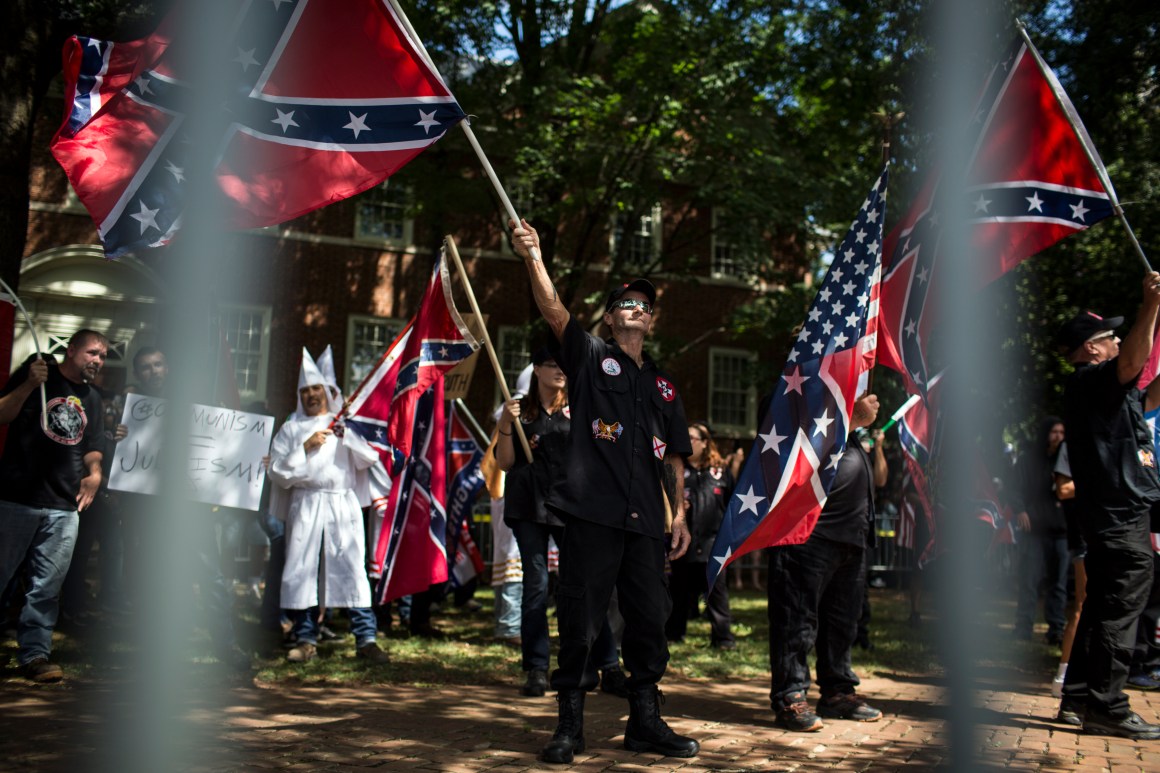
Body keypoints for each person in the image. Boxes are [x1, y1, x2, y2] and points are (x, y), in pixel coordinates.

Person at [510, 219, 698, 763]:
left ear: (654, 320)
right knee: (580, 621)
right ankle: (568, 726)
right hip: (591, 515)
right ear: (611, 316)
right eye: (624, 302)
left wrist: (679, 516)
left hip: (646, 524)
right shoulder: (591, 358)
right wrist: (534, 257)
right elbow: (553, 311)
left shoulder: (664, 386)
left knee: (648, 622)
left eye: (643, 303)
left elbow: (674, 457)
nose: (635, 307)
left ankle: (645, 723)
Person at [1055, 284, 1160, 741]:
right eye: (1110, 337)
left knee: (1101, 608)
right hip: (1117, 516)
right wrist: (1151, 304)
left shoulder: (1106, 392)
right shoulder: (1089, 381)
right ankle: (1108, 705)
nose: (1118, 341)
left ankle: (1078, 698)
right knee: (1119, 610)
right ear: (1090, 348)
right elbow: (1132, 364)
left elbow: (1147, 396)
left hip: (1118, 513)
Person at [766, 394, 888, 731]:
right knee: (796, 620)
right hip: (808, 532)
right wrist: (851, 417)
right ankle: (790, 695)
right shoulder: (794, 393)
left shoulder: (838, 399)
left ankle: (837, 691)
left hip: (852, 535)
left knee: (842, 623)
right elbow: (794, 442)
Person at [268, 348, 388, 664]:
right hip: (305, 505)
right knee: (302, 571)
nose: (310, 395)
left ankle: (366, 639)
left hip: (341, 505)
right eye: (305, 391)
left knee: (351, 569)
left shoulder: (345, 424)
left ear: (327, 391)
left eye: (316, 389)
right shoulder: (291, 429)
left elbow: (370, 458)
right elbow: (277, 472)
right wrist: (304, 448)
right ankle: (306, 637)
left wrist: (347, 435)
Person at [0, 329, 107, 682]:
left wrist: (94, 473)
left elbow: (92, 444)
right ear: (71, 350)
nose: (97, 360)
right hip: (18, 499)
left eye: (103, 356)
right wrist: (30, 384)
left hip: (64, 507)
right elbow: (3, 413)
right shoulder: (37, 373)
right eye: (92, 352)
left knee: (46, 588)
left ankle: (35, 655)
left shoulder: (92, 397)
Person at [666, 421, 740, 649]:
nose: (688, 443)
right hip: (683, 543)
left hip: (713, 544)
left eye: (693, 438)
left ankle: (723, 639)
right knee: (678, 591)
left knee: (716, 593)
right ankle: (674, 634)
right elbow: (664, 504)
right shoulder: (677, 470)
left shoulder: (720, 472)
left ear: (705, 443)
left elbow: (733, 504)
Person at [1011, 418, 1069, 644]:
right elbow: (1014, 488)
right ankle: (1023, 627)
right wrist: (1020, 510)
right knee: (1029, 581)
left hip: (1061, 531)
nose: (1058, 436)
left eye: (1061, 431)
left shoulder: (1067, 460)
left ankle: (1056, 630)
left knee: (1058, 585)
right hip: (1034, 530)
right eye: (1054, 431)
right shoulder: (1028, 460)